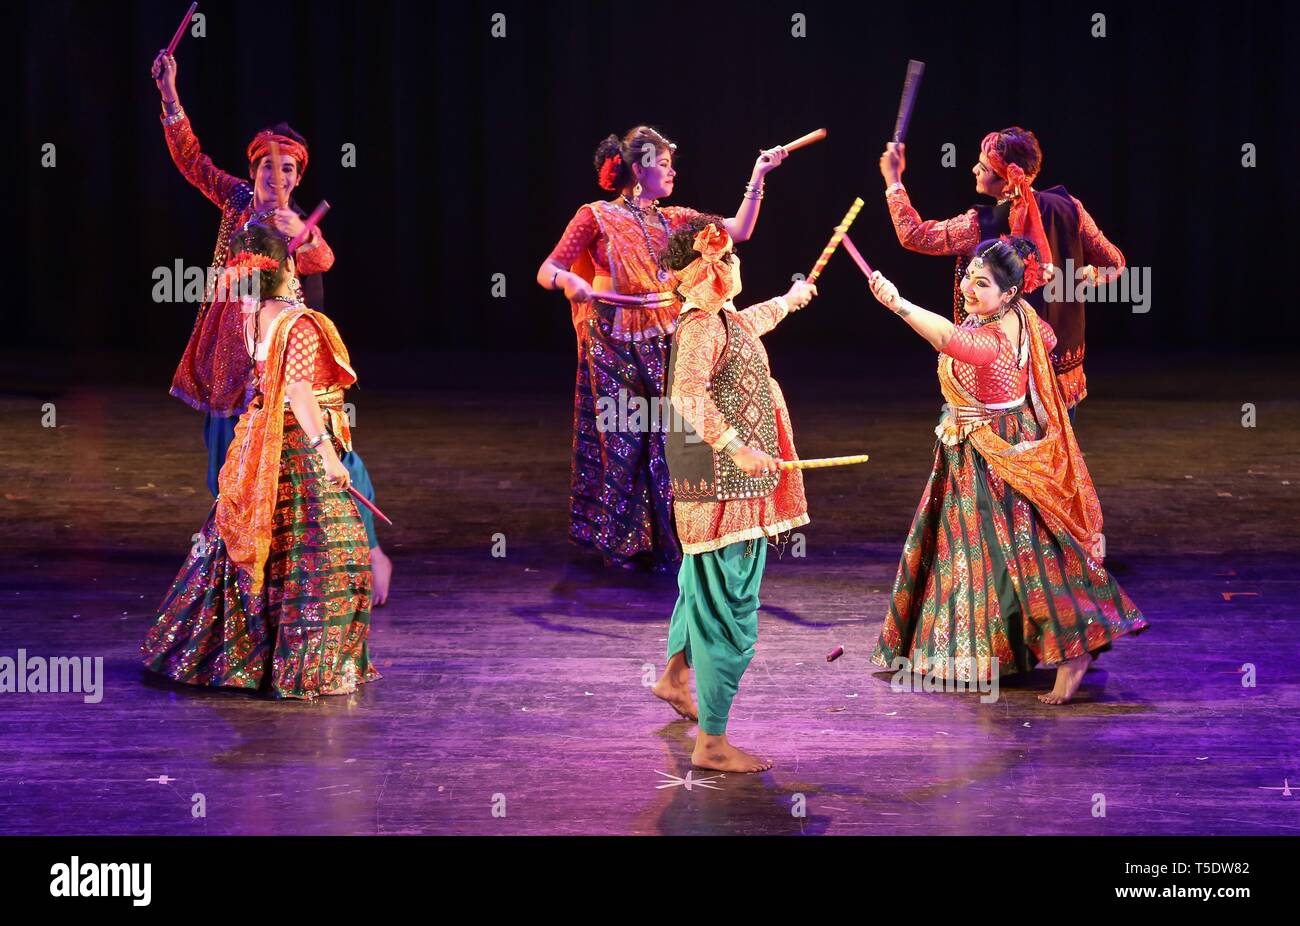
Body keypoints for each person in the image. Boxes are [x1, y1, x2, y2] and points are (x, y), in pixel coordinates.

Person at [150, 49, 393, 604]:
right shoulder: (236, 201)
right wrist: (170, 95)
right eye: (267, 165)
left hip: (285, 353)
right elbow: (192, 160)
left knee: (325, 452)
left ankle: (368, 548)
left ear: (298, 176)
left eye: (288, 169)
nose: (276, 175)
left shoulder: (297, 224)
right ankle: (236, 564)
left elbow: (321, 261)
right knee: (226, 461)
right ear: (253, 169)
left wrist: (302, 236)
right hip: (229, 350)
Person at [865, 236, 1147, 705]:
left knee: (1025, 557)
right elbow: (1047, 339)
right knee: (982, 559)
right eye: (969, 279)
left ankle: (1074, 649)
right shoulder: (1022, 318)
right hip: (975, 448)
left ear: (1010, 292)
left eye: (982, 285)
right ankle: (992, 654)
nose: (968, 291)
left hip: (996, 455)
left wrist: (899, 304)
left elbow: (948, 339)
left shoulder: (991, 338)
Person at [142, 223, 379, 700]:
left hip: (260, 443)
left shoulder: (253, 316)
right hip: (295, 445)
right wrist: (328, 454)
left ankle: (233, 656)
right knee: (330, 555)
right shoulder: (300, 322)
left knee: (257, 548)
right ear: (290, 267)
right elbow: (297, 390)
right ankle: (308, 668)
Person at [537, 126, 789, 572]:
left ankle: (673, 537)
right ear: (638, 169)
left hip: (667, 336)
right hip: (612, 341)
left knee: (670, 437)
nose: (672, 172)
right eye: (664, 164)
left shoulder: (674, 220)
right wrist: (569, 281)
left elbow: (738, 230)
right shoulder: (595, 216)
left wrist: (758, 175)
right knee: (623, 437)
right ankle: (624, 543)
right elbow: (549, 268)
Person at [652, 219, 817, 770]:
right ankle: (713, 744)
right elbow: (687, 395)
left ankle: (675, 677)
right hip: (725, 484)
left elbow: (746, 326)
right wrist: (736, 446)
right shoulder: (700, 326)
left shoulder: (717, 319)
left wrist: (789, 302)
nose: (736, 263)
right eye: (728, 257)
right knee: (730, 604)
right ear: (711, 269)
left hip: (720, 480)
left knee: (700, 583)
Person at [879, 127, 1125, 413]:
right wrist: (1082, 278)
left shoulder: (979, 225)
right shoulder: (1071, 209)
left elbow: (914, 235)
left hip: (1004, 374)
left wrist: (893, 179)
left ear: (1006, 179)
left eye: (982, 167)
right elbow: (1114, 263)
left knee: (1009, 456)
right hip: (1057, 364)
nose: (973, 169)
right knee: (1053, 456)